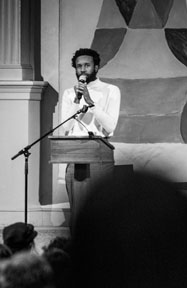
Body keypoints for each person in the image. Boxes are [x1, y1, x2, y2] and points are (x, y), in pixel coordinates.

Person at [59, 48, 121, 222]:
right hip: (75, 152)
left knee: (102, 209)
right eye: (79, 66)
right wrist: (77, 99)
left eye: (87, 65)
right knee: (78, 211)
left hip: (99, 151)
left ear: (96, 67)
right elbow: (66, 127)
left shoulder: (111, 90)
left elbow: (110, 126)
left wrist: (91, 103)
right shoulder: (69, 94)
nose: (83, 69)